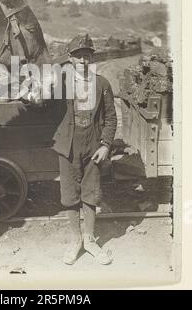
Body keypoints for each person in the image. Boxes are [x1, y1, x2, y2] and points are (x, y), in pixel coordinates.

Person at [51, 34, 117, 265]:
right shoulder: (60, 83)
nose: (83, 61)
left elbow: (111, 117)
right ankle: (75, 240)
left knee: (91, 192)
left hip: (93, 145)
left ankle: (89, 240)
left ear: (92, 58)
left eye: (87, 56)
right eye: (78, 57)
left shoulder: (102, 84)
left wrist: (106, 145)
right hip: (68, 144)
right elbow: (40, 100)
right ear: (70, 59)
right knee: (70, 194)